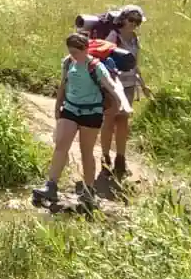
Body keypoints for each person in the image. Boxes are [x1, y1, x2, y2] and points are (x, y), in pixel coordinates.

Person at [35, 31, 130, 209]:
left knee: (86, 151)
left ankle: (89, 191)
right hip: (70, 109)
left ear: (86, 49)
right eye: (70, 51)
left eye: (76, 52)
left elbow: (111, 87)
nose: (73, 55)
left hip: (91, 113)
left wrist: (118, 107)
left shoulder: (96, 67)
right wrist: (57, 106)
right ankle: (51, 186)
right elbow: (63, 84)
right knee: (61, 145)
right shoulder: (68, 62)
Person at [98, 5, 144, 186]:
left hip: (129, 85)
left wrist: (143, 84)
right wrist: (110, 85)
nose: (133, 24)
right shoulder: (113, 36)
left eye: (137, 21)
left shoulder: (135, 39)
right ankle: (105, 158)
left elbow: (135, 64)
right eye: (131, 20)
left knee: (123, 121)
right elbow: (104, 60)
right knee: (109, 120)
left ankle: (121, 159)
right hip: (113, 86)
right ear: (122, 19)